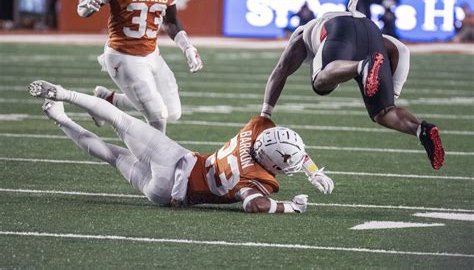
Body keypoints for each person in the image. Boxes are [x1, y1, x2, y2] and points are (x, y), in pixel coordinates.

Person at [28, 80, 334, 213]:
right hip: (166, 195)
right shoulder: (259, 179)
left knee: (120, 121)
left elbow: (281, 147)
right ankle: (60, 120)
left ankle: (64, 96)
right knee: (110, 155)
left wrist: (311, 168)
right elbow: (255, 204)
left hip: (179, 161)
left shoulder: (252, 133)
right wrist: (291, 206)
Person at [261, 0, 444, 170]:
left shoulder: (302, 35)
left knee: (320, 83)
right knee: (384, 112)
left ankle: (362, 66)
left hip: (340, 30)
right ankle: (421, 130)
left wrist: (265, 115)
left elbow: (280, 72)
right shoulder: (345, 37)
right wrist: (390, 90)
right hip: (373, 32)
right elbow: (401, 49)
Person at [76, 0, 203, 133]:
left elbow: (170, 20)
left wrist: (187, 47)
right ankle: (155, 162)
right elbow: (84, 7)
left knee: (173, 112)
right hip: (123, 55)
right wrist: (88, 6)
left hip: (151, 53)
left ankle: (106, 100)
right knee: (157, 115)